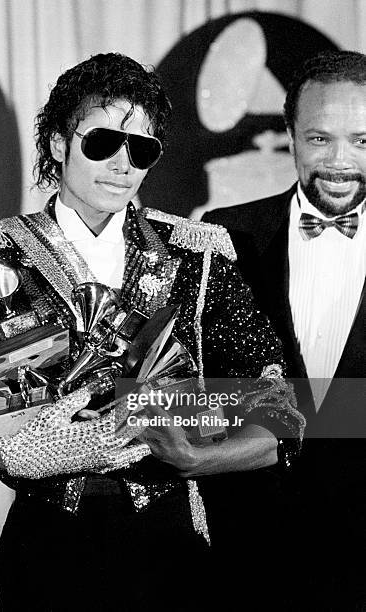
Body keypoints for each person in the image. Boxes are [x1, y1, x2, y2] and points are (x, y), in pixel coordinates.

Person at [0, 53, 304, 611]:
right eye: (102, 142)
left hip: (175, 552)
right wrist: (8, 453)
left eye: (140, 149)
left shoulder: (198, 254)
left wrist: (195, 458)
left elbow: (281, 414)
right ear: (57, 144)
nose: (122, 164)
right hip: (47, 551)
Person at [204, 50, 366, 611]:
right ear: (291, 135)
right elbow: (206, 392)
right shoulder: (223, 234)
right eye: (320, 139)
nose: (341, 161)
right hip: (250, 554)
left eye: (362, 141)